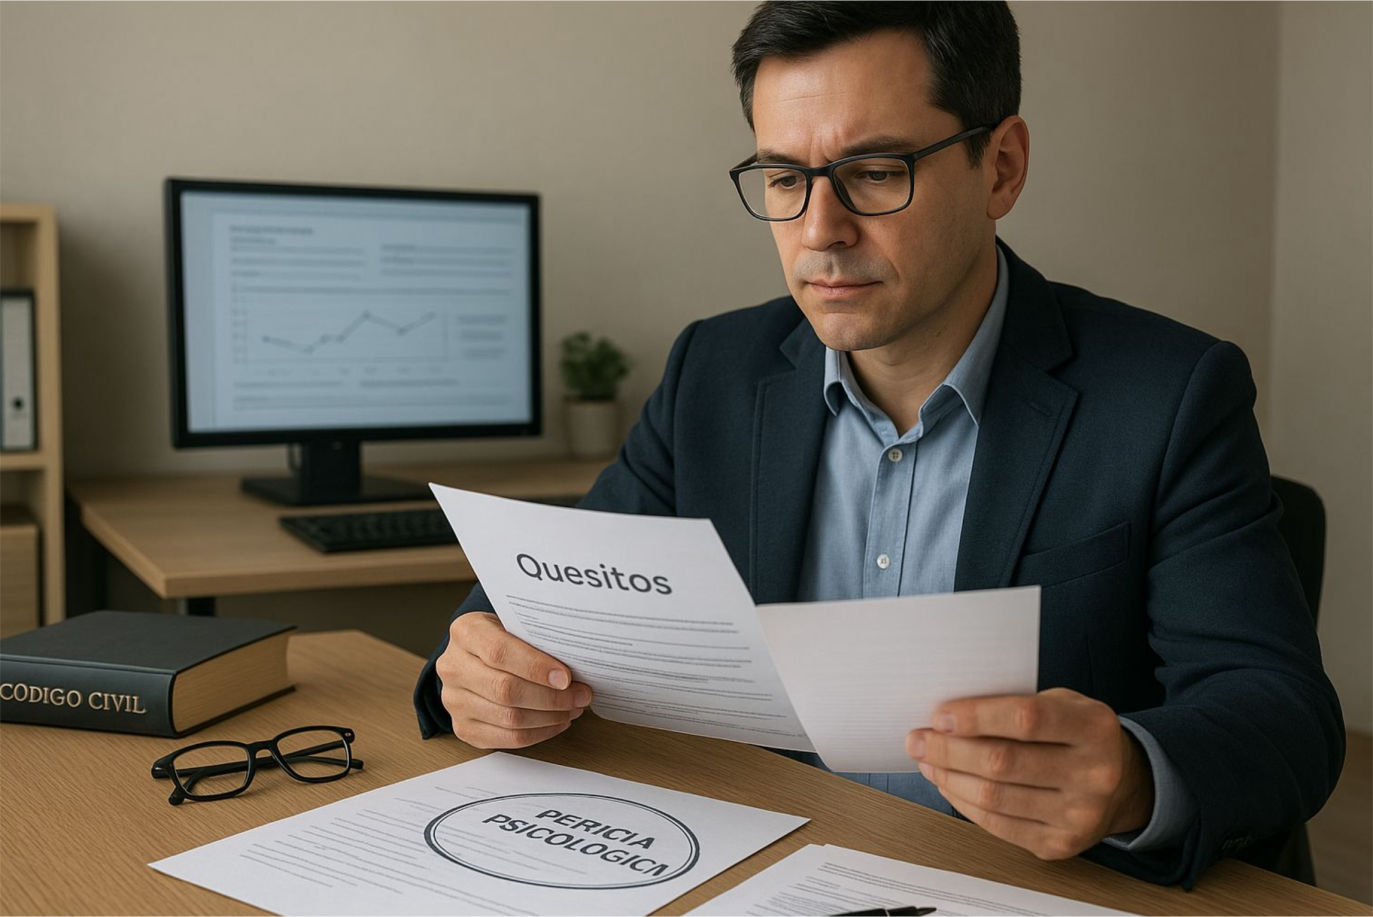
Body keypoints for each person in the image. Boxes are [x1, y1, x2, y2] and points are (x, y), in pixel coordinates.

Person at [413, 1, 1343, 888]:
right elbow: (545, 593)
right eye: (785, 177)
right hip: (759, 863)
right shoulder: (717, 369)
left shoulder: (1166, 394)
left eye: (875, 170)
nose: (820, 231)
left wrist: (1135, 777)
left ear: (1001, 168)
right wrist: (481, 662)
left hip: (1023, 887)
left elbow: (1279, 714)